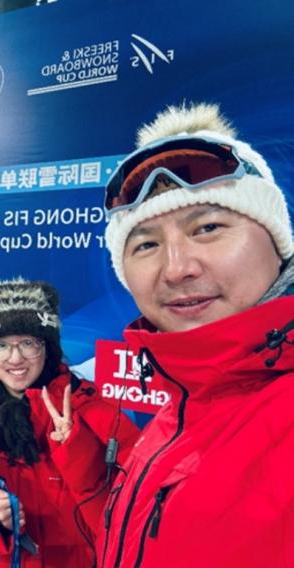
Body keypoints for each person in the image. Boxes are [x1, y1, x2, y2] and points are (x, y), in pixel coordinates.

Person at [96, 102, 294, 567]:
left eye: (207, 228)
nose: (177, 268)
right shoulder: (177, 409)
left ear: (277, 243)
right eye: (147, 244)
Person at [0, 278, 139, 567]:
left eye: (28, 343)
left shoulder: (95, 410)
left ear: (47, 347)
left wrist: (79, 454)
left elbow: (134, 512)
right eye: (1, 345)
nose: (15, 358)